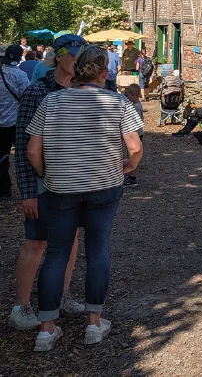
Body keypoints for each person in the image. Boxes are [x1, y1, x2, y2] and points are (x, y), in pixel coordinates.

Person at [26, 44, 143, 351]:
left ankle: (46, 328)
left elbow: (32, 150)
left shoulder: (51, 101)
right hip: (104, 186)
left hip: (60, 188)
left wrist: (44, 174)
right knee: (98, 250)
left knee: (56, 254)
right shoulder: (117, 102)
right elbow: (134, 146)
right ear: (105, 72)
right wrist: (131, 166)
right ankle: (93, 324)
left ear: (77, 71)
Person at [9, 35, 87, 333]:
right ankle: (21, 306)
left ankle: (61, 296)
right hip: (43, 184)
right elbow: (24, 145)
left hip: (74, 183)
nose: (79, 62)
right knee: (37, 242)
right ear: (58, 57)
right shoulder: (37, 92)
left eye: (83, 57)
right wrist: (28, 193)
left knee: (71, 240)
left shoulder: (85, 91)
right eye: (74, 56)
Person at [1, 45, 29, 198]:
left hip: (1, 122)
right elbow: (25, 96)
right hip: (17, 121)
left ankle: (4, 189)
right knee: (24, 156)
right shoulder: (21, 75)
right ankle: (27, 190)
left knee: (2, 155)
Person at [122, 84, 144, 188]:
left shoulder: (136, 108)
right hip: (137, 133)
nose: (126, 98)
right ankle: (131, 175)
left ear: (132, 95)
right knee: (130, 155)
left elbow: (134, 123)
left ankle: (132, 178)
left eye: (127, 95)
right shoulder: (137, 106)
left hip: (135, 134)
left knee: (132, 156)